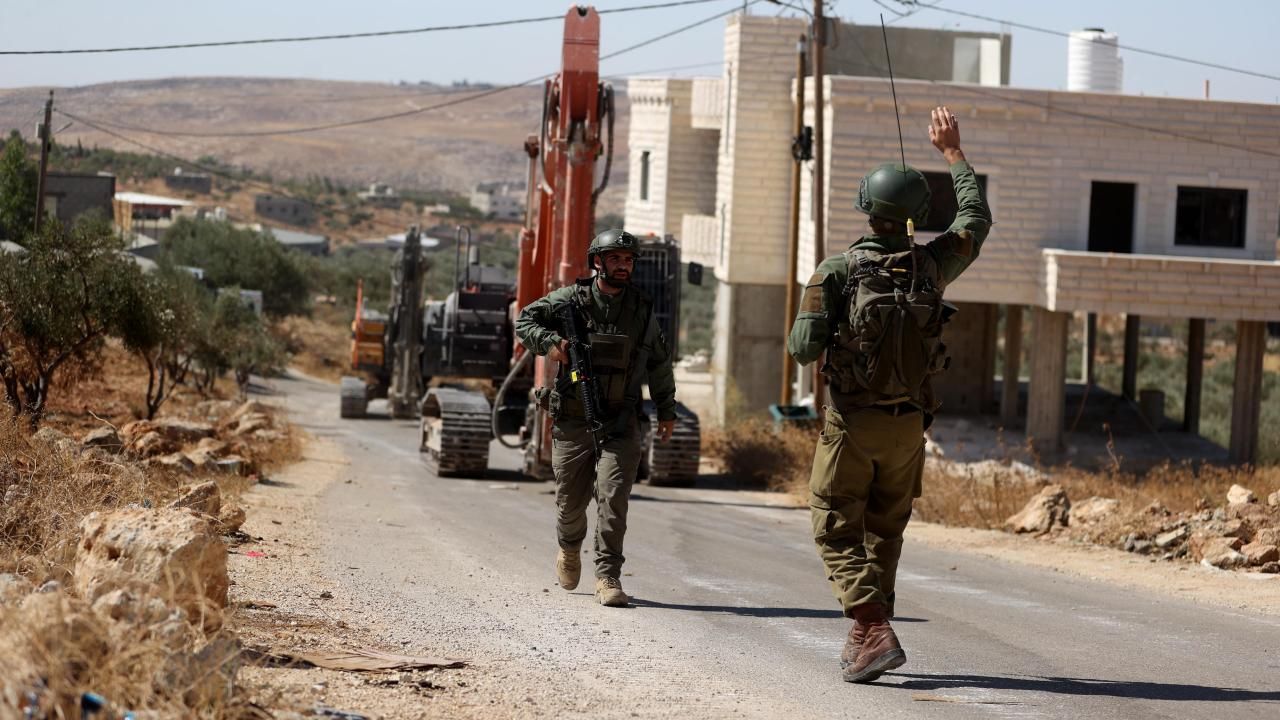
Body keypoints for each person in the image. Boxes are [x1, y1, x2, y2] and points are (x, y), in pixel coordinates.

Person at [788, 107, 992, 682]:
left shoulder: (836, 271)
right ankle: (866, 637)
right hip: (909, 427)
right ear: (916, 215)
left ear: (866, 207)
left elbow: (802, 349)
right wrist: (953, 153)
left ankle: (872, 625)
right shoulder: (934, 266)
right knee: (885, 530)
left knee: (834, 523)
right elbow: (976, 218)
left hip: (853, 422)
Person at [515, 229, 677, 607]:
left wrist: (666, 408)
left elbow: (658, 362)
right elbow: (524, 321)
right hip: (574, 420)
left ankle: (607, 575)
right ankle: (569, 547)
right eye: (615, 258)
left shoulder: (640, 308)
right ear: (598, 262)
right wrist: (552, 344)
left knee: (613, 497)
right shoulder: (570, 300)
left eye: (629, 260)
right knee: (570, 504)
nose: (623, 266)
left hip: (621, 420)